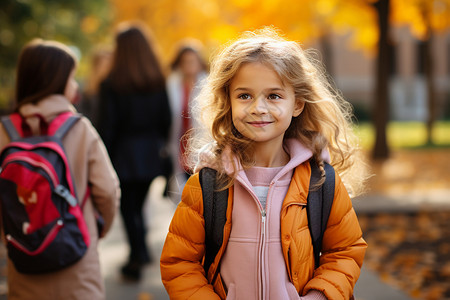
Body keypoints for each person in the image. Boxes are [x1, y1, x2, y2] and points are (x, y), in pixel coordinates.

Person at [160, 28, 368, 300]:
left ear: (297, 104)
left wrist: (319, 296)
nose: (258, 108)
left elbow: (345, 251)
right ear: (229, 102)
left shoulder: (320, 182)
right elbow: (179, 263)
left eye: (273, 96)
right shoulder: (208, 184)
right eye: (244, 95)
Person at [0, 39, 120, 300]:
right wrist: (98, 228)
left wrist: (9, 236)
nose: (75, 85)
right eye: (71, 77)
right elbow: (108, 191)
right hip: (76, 254)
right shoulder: (79, 128)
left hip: (24, 256)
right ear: (56, 80)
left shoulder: (4, 131)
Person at [97, 22, 172, 281]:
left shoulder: (112, 83)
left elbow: (108, 126)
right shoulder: (157, 80)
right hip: (151, 152)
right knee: (137, 206)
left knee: (129, 209)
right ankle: (139, 252)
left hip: (124, 154)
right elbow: (166, 120)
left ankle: (137, 255)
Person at [165, 42, 208, 199]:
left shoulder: (208, 85)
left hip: (202, 142)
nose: (189, 65)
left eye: (193, 61)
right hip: (178, 142)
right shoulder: (172, 85)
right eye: (185, 61)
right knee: (180, 188)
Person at [76, 47, 112, 129]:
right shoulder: (84, 92)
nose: (108, 70)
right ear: (95, 67)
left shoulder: (115, 92)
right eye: (105, 66)